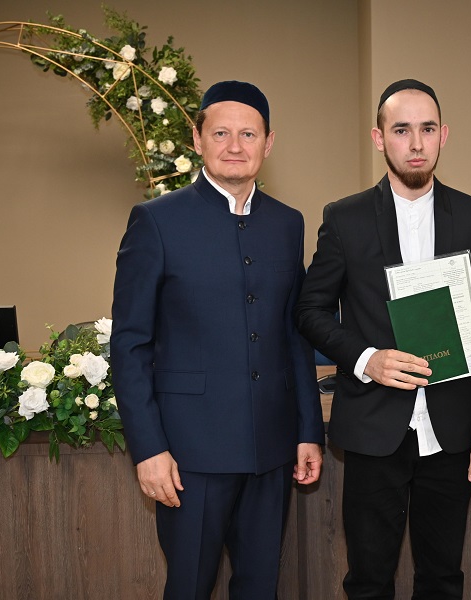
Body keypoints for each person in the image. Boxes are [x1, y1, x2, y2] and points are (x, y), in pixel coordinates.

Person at [295, 79, 471, 599]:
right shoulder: (344, 218)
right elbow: (309, 309)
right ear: (379, 138)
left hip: (452, 430)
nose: (416, 143)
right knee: (369, 580)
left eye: (427, 129)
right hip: (374, 428)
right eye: (401, 130)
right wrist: (365, 358)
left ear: (443, 136)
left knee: (443, 579)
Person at [111, 80, 324, 600]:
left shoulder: (288, 223)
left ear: (268, 143)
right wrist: (149, 449)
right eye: (221, 133)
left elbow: (293, 335)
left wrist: (307, 430)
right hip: (189, 456)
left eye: (248, 134)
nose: (234, 146)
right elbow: (130, 345)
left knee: (261, 588)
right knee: (188, 587)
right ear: (197, 139)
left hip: (271, 449)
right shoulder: (156, 221)